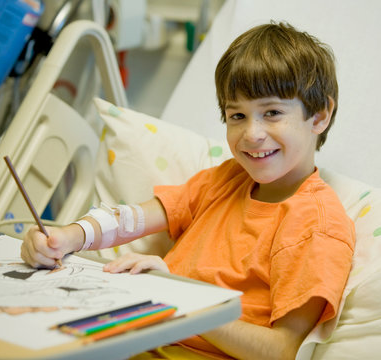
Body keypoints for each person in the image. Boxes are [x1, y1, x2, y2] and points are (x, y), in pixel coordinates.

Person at [22, 22, 355, 360]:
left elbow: (281, 351)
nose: (252, 133)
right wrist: (68, 237)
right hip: (138, 337)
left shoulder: (316, 226)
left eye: (272, 113)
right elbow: (133, 218)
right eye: (237, 115)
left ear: (319, 115)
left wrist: (180, 297)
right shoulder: (225, 180)